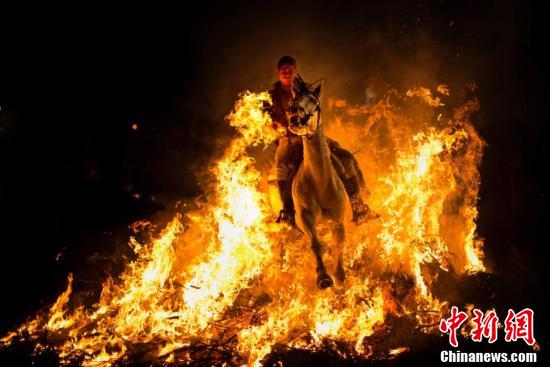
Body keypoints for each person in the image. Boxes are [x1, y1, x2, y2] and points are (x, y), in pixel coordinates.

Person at [265, 56, 375, 225]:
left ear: (295, 71)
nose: (287, 73)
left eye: (290, 69)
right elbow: (267, 116)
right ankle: (287, 209)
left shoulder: (306, 90)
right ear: (278, 73)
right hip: (289, 140)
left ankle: (358, 204)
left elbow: (315, 110)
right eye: (283, 70)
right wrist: (278, 126)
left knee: (344, 157)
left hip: (311, 135)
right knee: (281, 167)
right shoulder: (272, 94)